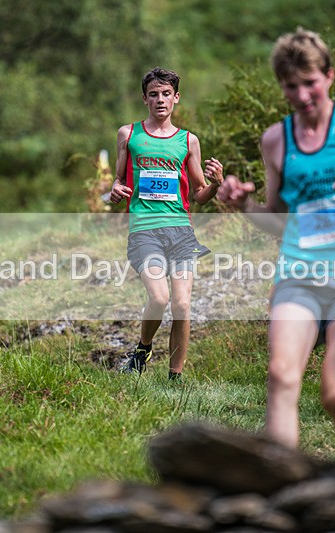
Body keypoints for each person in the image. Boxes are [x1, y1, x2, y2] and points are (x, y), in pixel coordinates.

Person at [217, 28, 335, 449]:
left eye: (309, 82)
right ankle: (283, 480)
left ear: (329, 75)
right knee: (281, 375)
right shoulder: (276, 139)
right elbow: (279, 219)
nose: (301, 95)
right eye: (290, 86)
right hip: (299, 276)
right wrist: (243, 205)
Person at [109, 67, 223, 381]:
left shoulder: (188, 141)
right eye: (154, 94)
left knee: (182, 305)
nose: (160, 100)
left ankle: (175, 378)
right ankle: (143, 349)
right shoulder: (129, 134)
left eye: (166, 94)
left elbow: (200, 195)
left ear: (176, 98)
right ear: (145, 99)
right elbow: (118, 180)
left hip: (181, 233)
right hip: (144, 230)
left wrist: (216, 183)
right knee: (160, 298)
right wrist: (115, 189)